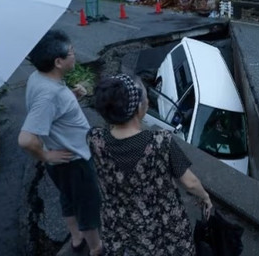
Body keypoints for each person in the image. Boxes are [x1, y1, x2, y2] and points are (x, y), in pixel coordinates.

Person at [88, 74, 213, 256]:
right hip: (163, 226)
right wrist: (205, 197)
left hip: (118, 225)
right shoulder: (160, 142)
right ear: (139, 107)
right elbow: (190, 182)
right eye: (145, 97)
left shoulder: (94, 139)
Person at [18, 30, 103, 256]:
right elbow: (25, 139)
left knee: (68, 198)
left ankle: (76, 239)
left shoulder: (39, 77)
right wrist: (46, 156)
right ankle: (96, 248)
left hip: (60, 158)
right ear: (58, 62)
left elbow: (50, 110)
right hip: (73, 160)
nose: (74, 55)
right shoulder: (50, 94)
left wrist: (72, 96)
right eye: (71, 53)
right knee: (87, 205)